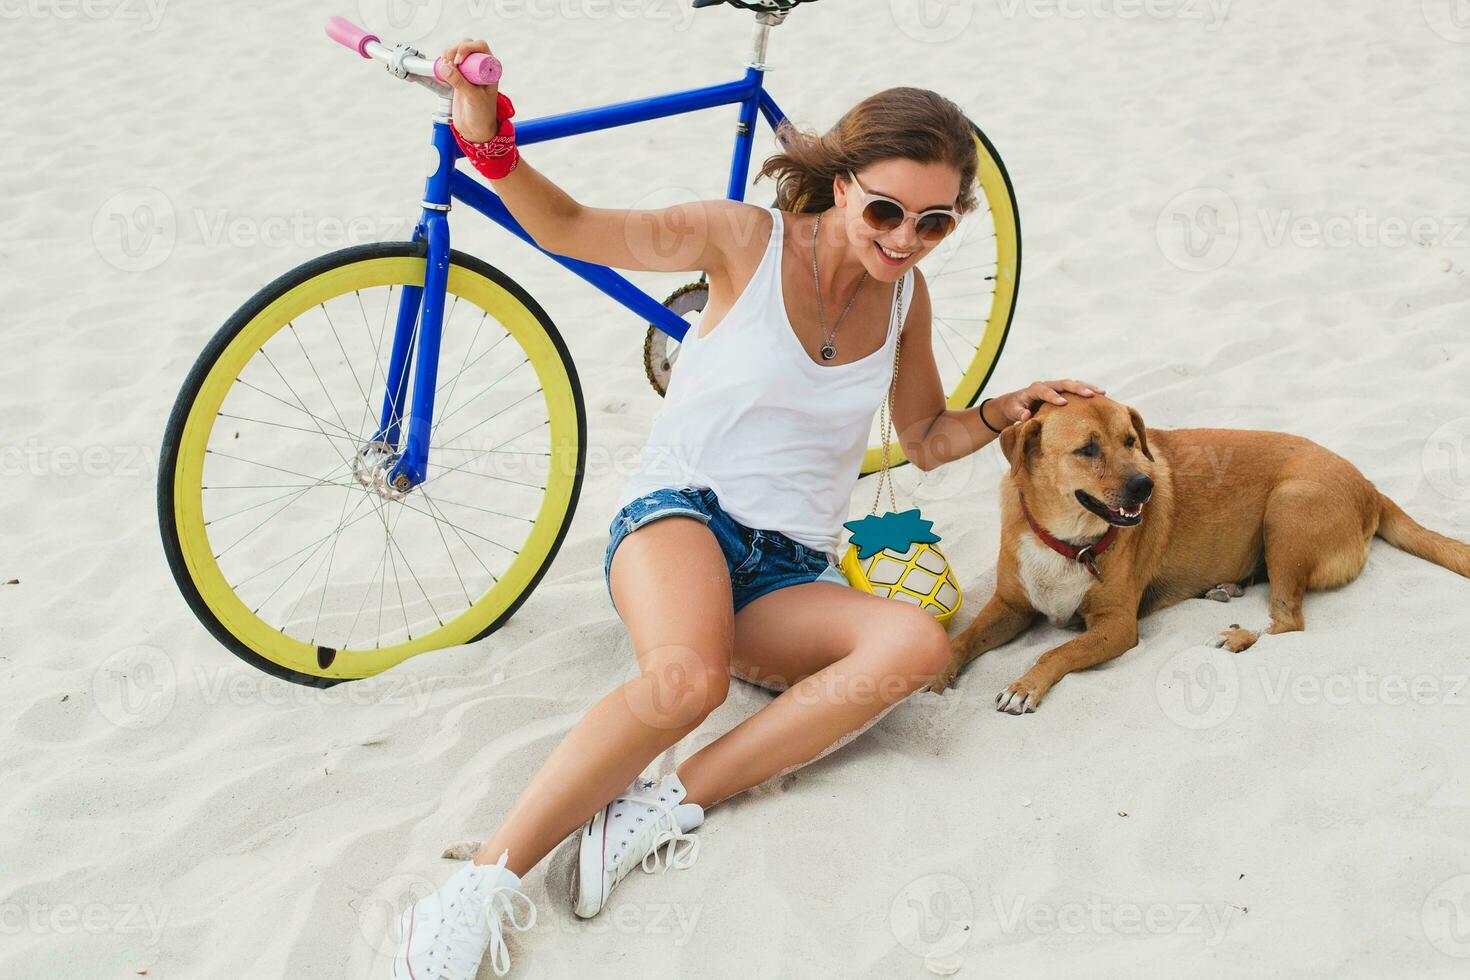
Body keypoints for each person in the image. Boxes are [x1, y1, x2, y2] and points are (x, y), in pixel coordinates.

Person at [391, 37, 1104, 979]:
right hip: (678, 518)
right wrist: (485, 138)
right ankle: (481, 885)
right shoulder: (742, 240)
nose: (903, 239)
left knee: (916, 647)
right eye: (886, 210)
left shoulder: (905, 300)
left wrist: (1002, 410)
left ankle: (662, 806)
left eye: (933, 224)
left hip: (787, 568)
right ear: (841, 182)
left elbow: (926, 434)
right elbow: (567, 227)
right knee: (686, 682)